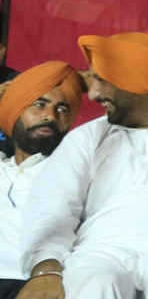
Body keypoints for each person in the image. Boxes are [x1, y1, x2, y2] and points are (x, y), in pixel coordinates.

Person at [19, 33, 148, 299]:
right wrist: (46, 271)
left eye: (101, 80)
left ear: (138, 80)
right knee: (99, 283)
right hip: (101, 252)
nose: (93, 93)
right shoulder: (88, 137)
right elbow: (52, 208)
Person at [0, 63, 85, 299]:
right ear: (14, 109)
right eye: (39, 105)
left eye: (62, 109)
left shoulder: (77, 170)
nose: (50, 116)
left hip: (37, 283)